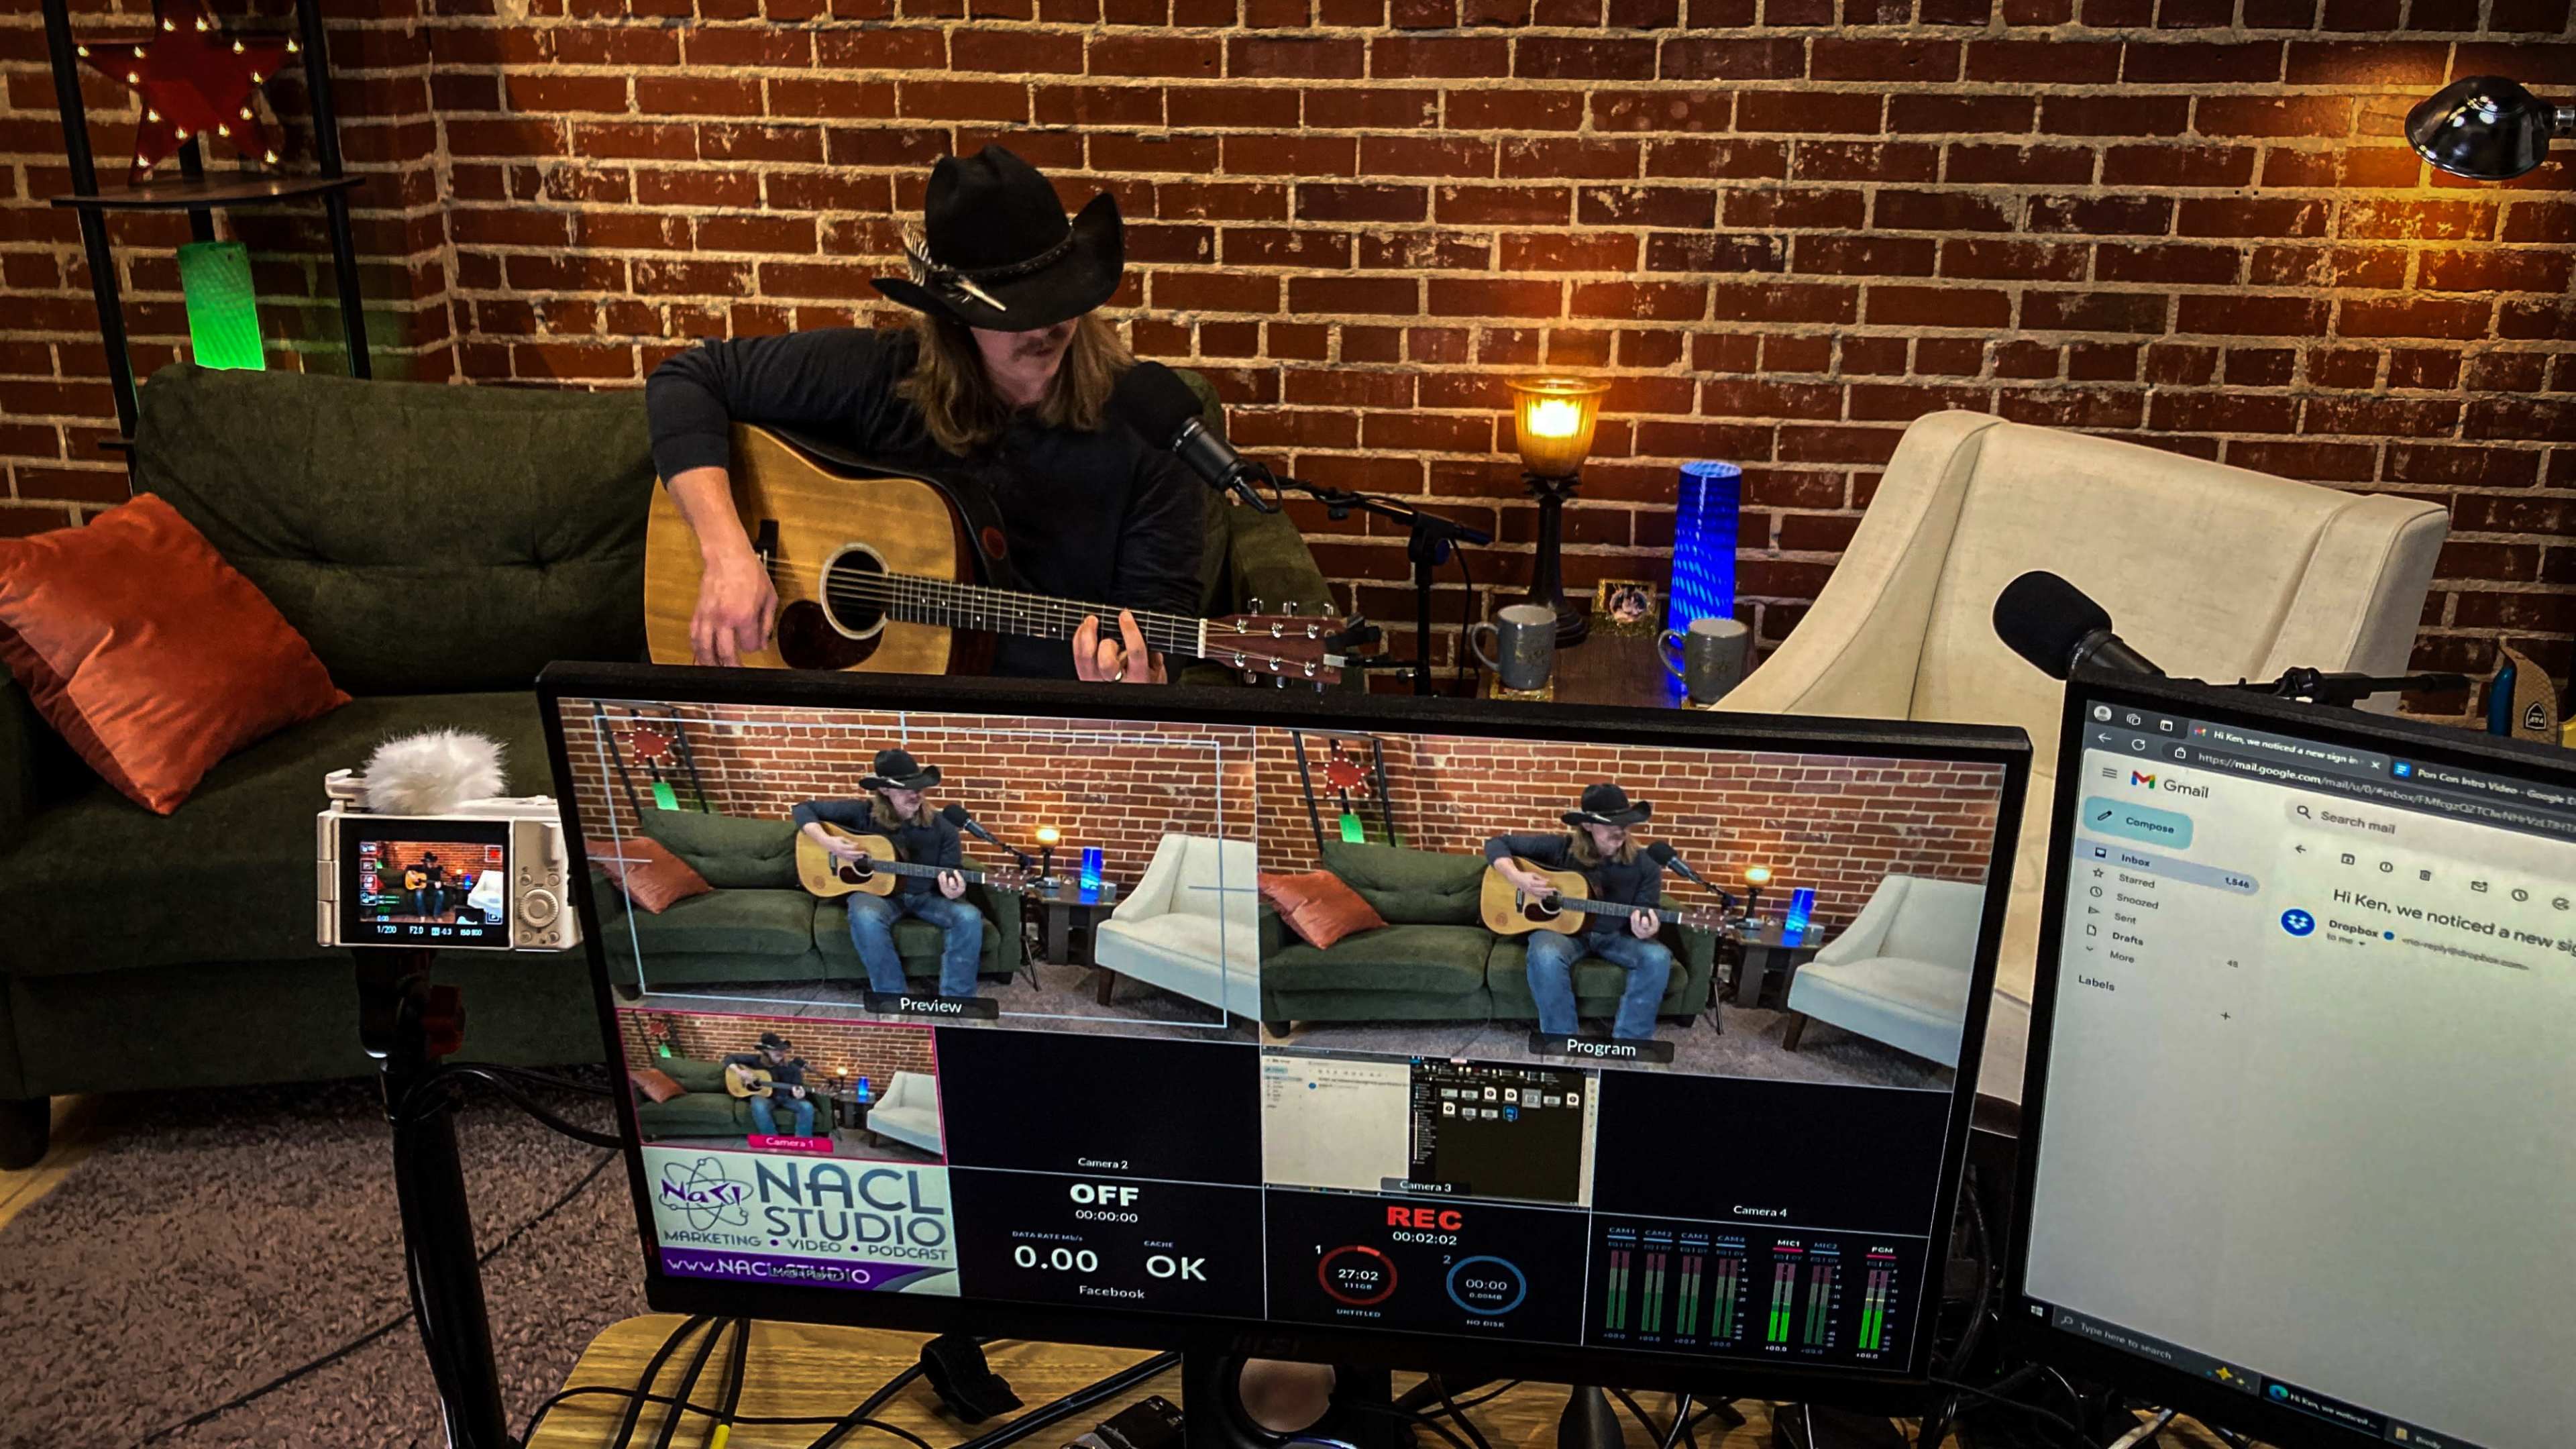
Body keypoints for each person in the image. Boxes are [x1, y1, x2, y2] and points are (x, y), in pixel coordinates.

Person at [646, 145, 1205, 684]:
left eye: (1059, 299)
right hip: (871, 715)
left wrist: (1137, 679)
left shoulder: (1153, 424)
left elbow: (1163, 620)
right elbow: (688, 380)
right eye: (1017, 311)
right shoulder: (885, 375)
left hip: (1046, 722)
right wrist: (727, 551)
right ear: (955, 316)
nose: (1044, 327)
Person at [1485, 784, 1674, 1042]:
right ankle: (1561, 1040)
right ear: (1587, 825)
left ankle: (1631, 1041)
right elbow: (1496, 843)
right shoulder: (1560, 848)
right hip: (1564, 933)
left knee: (1658, 957)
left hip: (1615, 936)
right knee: (1545, 952)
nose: (1620, 830)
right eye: (1610, 824)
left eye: (1625, 822)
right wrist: (1517, 878)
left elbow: (1647, 908)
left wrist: (1647, 928)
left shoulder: (1647, 863)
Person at [794, 749, 985, 1000]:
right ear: (885, 790)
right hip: (877, 895)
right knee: (865, 915)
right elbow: (802, 809)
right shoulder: (861, 813)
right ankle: (891, 998)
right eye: (906, 789)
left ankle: (957, 998)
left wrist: (953, 889)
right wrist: (828, 842)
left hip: (925, 895)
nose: (916, 794)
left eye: (919, 787)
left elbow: (952, 870)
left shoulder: (944, 826)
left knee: (969, 916)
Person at [722, 1032, 815, 1138]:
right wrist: (740, 1072)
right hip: (765, 1097)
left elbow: (798, 1086)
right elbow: (728, 1058)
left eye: (782, 1050)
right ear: (766, 1051)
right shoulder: (755, 1060)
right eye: (776, 1050)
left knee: (807, 1107)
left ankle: (803, 1140)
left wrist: (799, 1095)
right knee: (758, 1105)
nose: (780, 1053)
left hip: (786, 1097)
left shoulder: (792, 1067)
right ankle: (771, 1139)